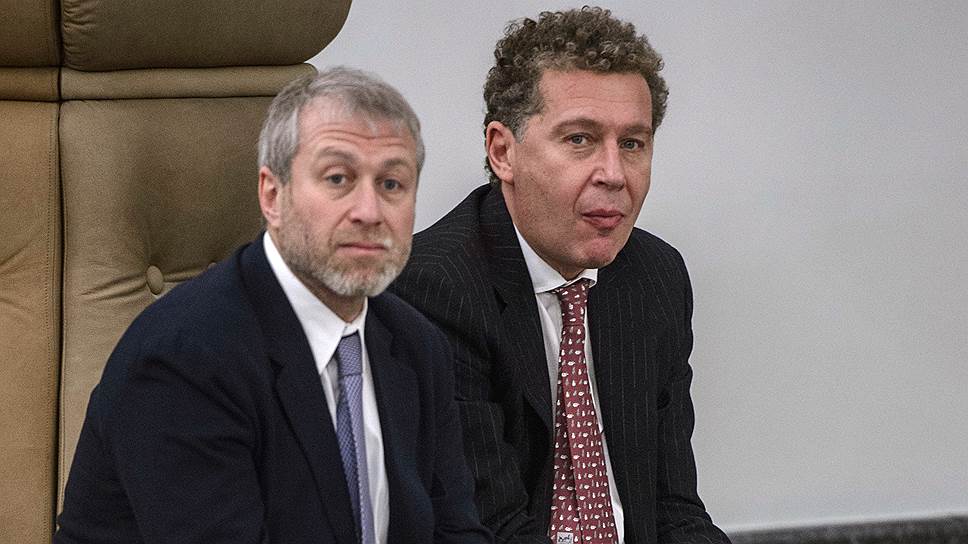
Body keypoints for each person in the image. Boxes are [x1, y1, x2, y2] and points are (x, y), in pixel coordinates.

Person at [55, 67, 491, 544]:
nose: (369, 212)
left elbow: (457, 531)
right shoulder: (185, 357)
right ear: (272, 195)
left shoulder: (416, 344)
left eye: (392, 184)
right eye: (338, 178)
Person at [391, 7, 730, 544]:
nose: (613, 175)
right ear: (503, 151)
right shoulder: (436, 290)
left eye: (632, 144)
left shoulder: (655, 277)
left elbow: (674, 510)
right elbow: (491, 527)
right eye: (579, 139)